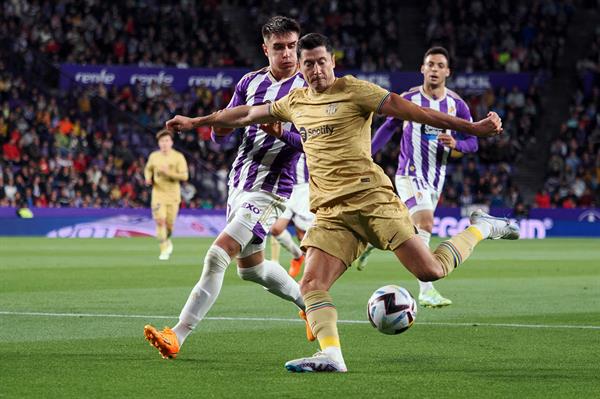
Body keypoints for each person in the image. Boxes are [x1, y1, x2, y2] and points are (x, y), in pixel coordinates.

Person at [164, 33, 519, 373]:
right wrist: (195, 121)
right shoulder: (294, 102)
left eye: (321, 62)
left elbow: (410, 111)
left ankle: (482, 226)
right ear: (301, 69)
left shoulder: (354, 90)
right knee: (311, 284)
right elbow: (243, 115)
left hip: (373, 201)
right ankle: (331, 354)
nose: (316, 70)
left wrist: (470, 129)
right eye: (309, 65)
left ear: (332, 61)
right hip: (331, 213)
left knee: (430, 271)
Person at [143, 16, 314, 360]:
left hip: (271, 189)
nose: (287, 54)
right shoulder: (249, 83)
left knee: (217, 255)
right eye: (278, 47)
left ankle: (177, 334)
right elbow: (224, 129)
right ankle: (311, 306)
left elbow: (313, 143)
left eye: (292, 46)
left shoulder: (309, 91)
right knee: (252, 269)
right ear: (265, 50)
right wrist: (217, 132)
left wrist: (282, 134)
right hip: (239, 185)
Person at [355, 46, 478, 308]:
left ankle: (373, 242)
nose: (434, 69)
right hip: (410, 172)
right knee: (425, 224)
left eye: (439, 65)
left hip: (436, 177)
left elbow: (473, 143)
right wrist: (367, 155)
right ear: (422, 69)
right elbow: (388, 127)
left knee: (410, 227)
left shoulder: (456, 105)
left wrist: (456, 144)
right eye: (430, 64)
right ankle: (426, 290)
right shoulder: (409, 98)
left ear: (448, 71)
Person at [144, 129, 189, 260]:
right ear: (158, 143)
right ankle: (163, 249)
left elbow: (185, 176)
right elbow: (148, 168)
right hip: (158, 193)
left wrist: (168, 173)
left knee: (169, 225)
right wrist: (148, 178)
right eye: (162, 141)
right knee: (160, 221)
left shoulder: (178, 157)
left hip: (173, 195)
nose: (164, 143)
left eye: (167, 140)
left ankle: (167, 239)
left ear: (171, 142)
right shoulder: (154, 156)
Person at [269, 152, 313, 278]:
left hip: (304, 190)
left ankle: (310, 277)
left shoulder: (306, 137)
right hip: (285, 188)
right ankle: (298, 256)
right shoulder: (282, 136)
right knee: (276, 229)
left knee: (303, 236)